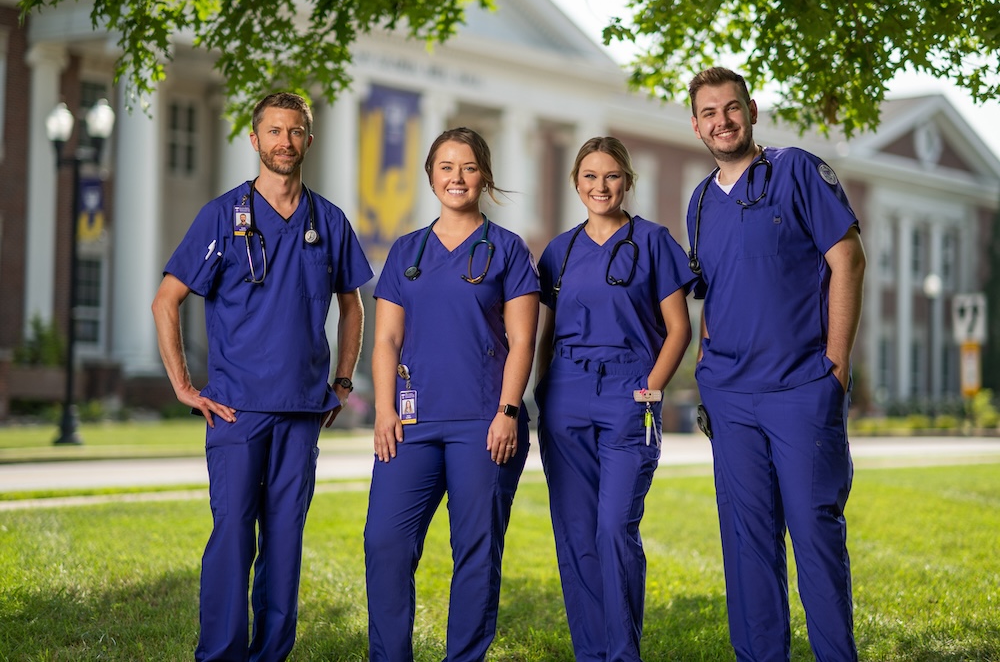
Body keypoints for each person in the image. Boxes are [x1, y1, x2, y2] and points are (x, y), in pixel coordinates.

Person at [151, 92, 373, 662]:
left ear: (308, 140)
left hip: (302, 411)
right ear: (255, 140)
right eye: (274, 131)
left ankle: (271, 654)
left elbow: (353, 305)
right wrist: (182, 385)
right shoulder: (223, 216)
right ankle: (222, 653)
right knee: (232, 537)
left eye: (295, 132)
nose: (284, 142)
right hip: (236, 409)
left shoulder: (329, 221)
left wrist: (343, 382)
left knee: (284, 541)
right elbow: (166, 299)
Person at [684, 67, 866, 662]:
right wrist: (707, 367)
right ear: (696, 124)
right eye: (709, 113)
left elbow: (848, 261)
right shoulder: (701, 201)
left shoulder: (797, 170)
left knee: (814, 535)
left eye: (731, 108)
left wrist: (835, 367)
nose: (722, 121)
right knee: (747, 543)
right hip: (731, 399)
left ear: (752, 109)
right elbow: (713, 293)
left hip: (800, 389)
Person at [364, 127, 540, 661]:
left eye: (467, 167)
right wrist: (382, 409)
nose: (456, 177)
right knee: (385, 543)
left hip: (485, 422)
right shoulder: (406, 249)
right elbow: (387, 338)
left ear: (483, 175)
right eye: (445, 166)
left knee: (476, 552)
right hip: (412, 424)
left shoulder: (507, 249)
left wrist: (509, 411)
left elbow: (523, 340)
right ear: (431, 175)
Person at [534, 136, 695, 661]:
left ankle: (623, 653)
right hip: (566, 394)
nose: (600, 186)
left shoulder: (653, 241)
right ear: (575, 183)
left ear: (627, 181)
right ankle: (592, 653)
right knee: (577, 534)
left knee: (613, 528)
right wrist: (542, 389)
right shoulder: (560, 250)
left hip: (629, 391)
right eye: (589, 177)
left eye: (610, 176)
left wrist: (650, 391)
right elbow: (547, 331)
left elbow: (678, 329)